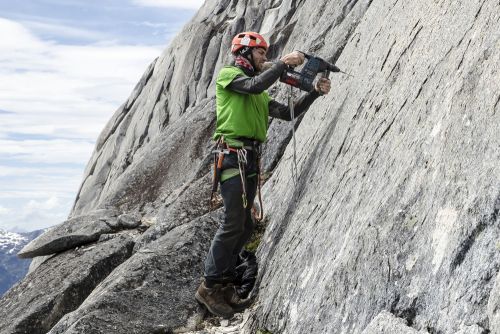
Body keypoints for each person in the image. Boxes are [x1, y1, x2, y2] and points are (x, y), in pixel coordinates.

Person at [195, 31, 331, 318]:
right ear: (244, 53)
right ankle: (208, 287)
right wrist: (283, 64)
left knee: (244, 226)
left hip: (249, 160)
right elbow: (254, 86)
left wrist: (314, 93)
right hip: (232, 158)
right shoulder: (230, 76)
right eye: (260, 53)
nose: (264, 57)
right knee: (233, 222)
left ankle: (225, 285)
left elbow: (287, 112)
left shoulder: (257, 90)